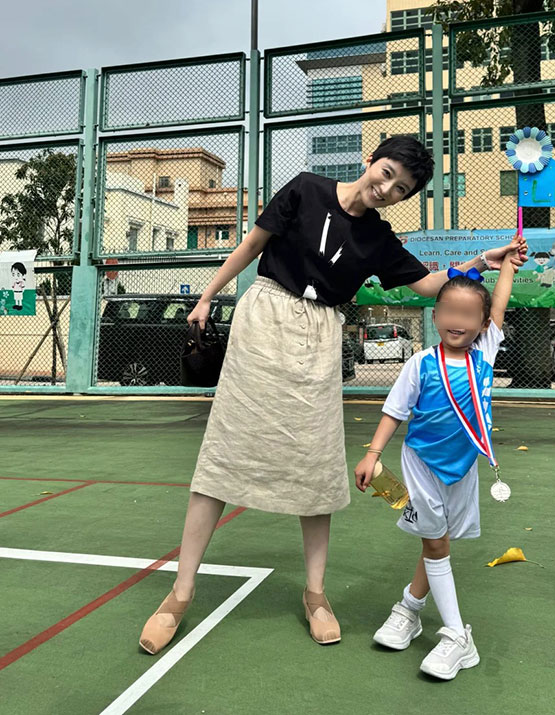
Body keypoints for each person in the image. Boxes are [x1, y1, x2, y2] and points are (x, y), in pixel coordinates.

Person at [139, 135, 526, 655]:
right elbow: (253, 244)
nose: (387, 188)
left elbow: (430, 285)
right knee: (222, 456)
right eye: (386, 173)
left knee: (316, 464)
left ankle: (316, 595)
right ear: (371, 161)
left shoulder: (381, 239)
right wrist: (208, 295)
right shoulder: (305, 189)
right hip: (263, 319)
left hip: (321, 337)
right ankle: (179, 595)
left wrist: (485, 259)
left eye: (402, 188)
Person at [354, 248, 517, 680]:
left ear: (484, 326)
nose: (456, 321)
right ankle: (457, 637)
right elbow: (394, 412)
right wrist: (373, 454)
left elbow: (499, 301)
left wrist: (510, 268)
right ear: (435, 313)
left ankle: (409, 608)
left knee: (436, 541)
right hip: (420, 463)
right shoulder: (421, 363)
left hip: (463, 468)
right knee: (436, 543)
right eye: (447, 310)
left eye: (468, 314)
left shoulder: (486, 353)